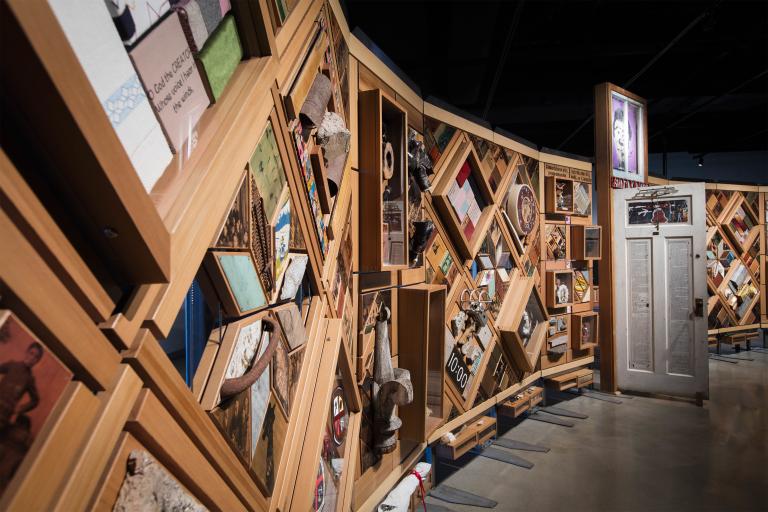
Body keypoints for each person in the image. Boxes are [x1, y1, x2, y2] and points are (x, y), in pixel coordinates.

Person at [0, 343, 42, 429]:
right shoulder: (12, 365)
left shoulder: (30, 379)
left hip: (4, 414)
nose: (32, 358)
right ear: (26, 352)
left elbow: (35, 401)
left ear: (37, 361)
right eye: (31, 353)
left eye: (36, 357)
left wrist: (19, 409)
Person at [613, 105, 632, 172]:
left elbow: (629, 132)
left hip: (623, 141)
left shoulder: (624, 123)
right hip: (619, 141)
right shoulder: (616, 122)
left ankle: (623, 166)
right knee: (620, 153)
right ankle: (621, 165)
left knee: (623, 153)